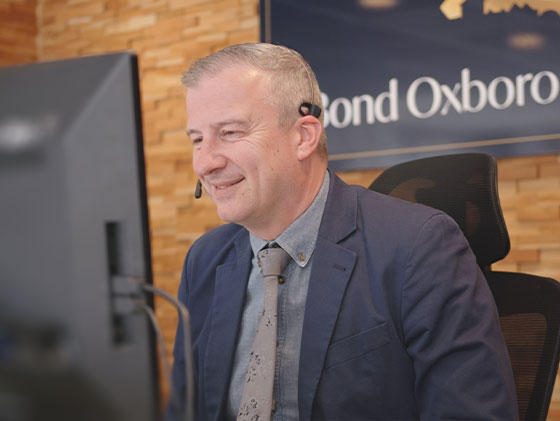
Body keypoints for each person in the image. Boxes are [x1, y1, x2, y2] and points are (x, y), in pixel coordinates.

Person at [170, 43, 517, 421]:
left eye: (230, 132)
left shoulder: (419, 247)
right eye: (197, 139)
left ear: (304, 137)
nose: (205, 162)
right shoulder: (205, 260)